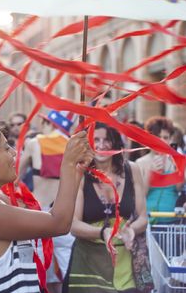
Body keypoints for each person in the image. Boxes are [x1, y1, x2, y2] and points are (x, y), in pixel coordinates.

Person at [0, 118, 93, 293]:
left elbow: (54, 217)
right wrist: (67, 163)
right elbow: (59, 222)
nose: (14, 153)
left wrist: (76, 170)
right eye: (6, 148)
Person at [63, 122, 148, 293]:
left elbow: (143, 218)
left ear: (116, 143)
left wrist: (132, 231)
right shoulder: (80, 173)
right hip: (88, 265)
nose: (101, 145)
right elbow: (73, 225)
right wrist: (103, 232)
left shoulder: (132, 170)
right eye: (96, 140)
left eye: (107, 139)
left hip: (124, 265)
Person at [20, 109, 75, 293]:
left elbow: (14, 178)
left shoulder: (35, 143)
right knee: (68, 273)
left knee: (43, 274)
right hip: (67, 214)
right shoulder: (74, 146)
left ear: (49, 123)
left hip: (39, 214)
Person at [136, 116, 183, 224]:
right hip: (147, 222)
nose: (161, 141)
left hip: (172, 222)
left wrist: (178, 168)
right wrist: (151, 174)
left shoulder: (175, 161)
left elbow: (179, 188)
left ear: (171, 139)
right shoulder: (140, 163)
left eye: (165, 137)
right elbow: (140, 196)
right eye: (157, 137)